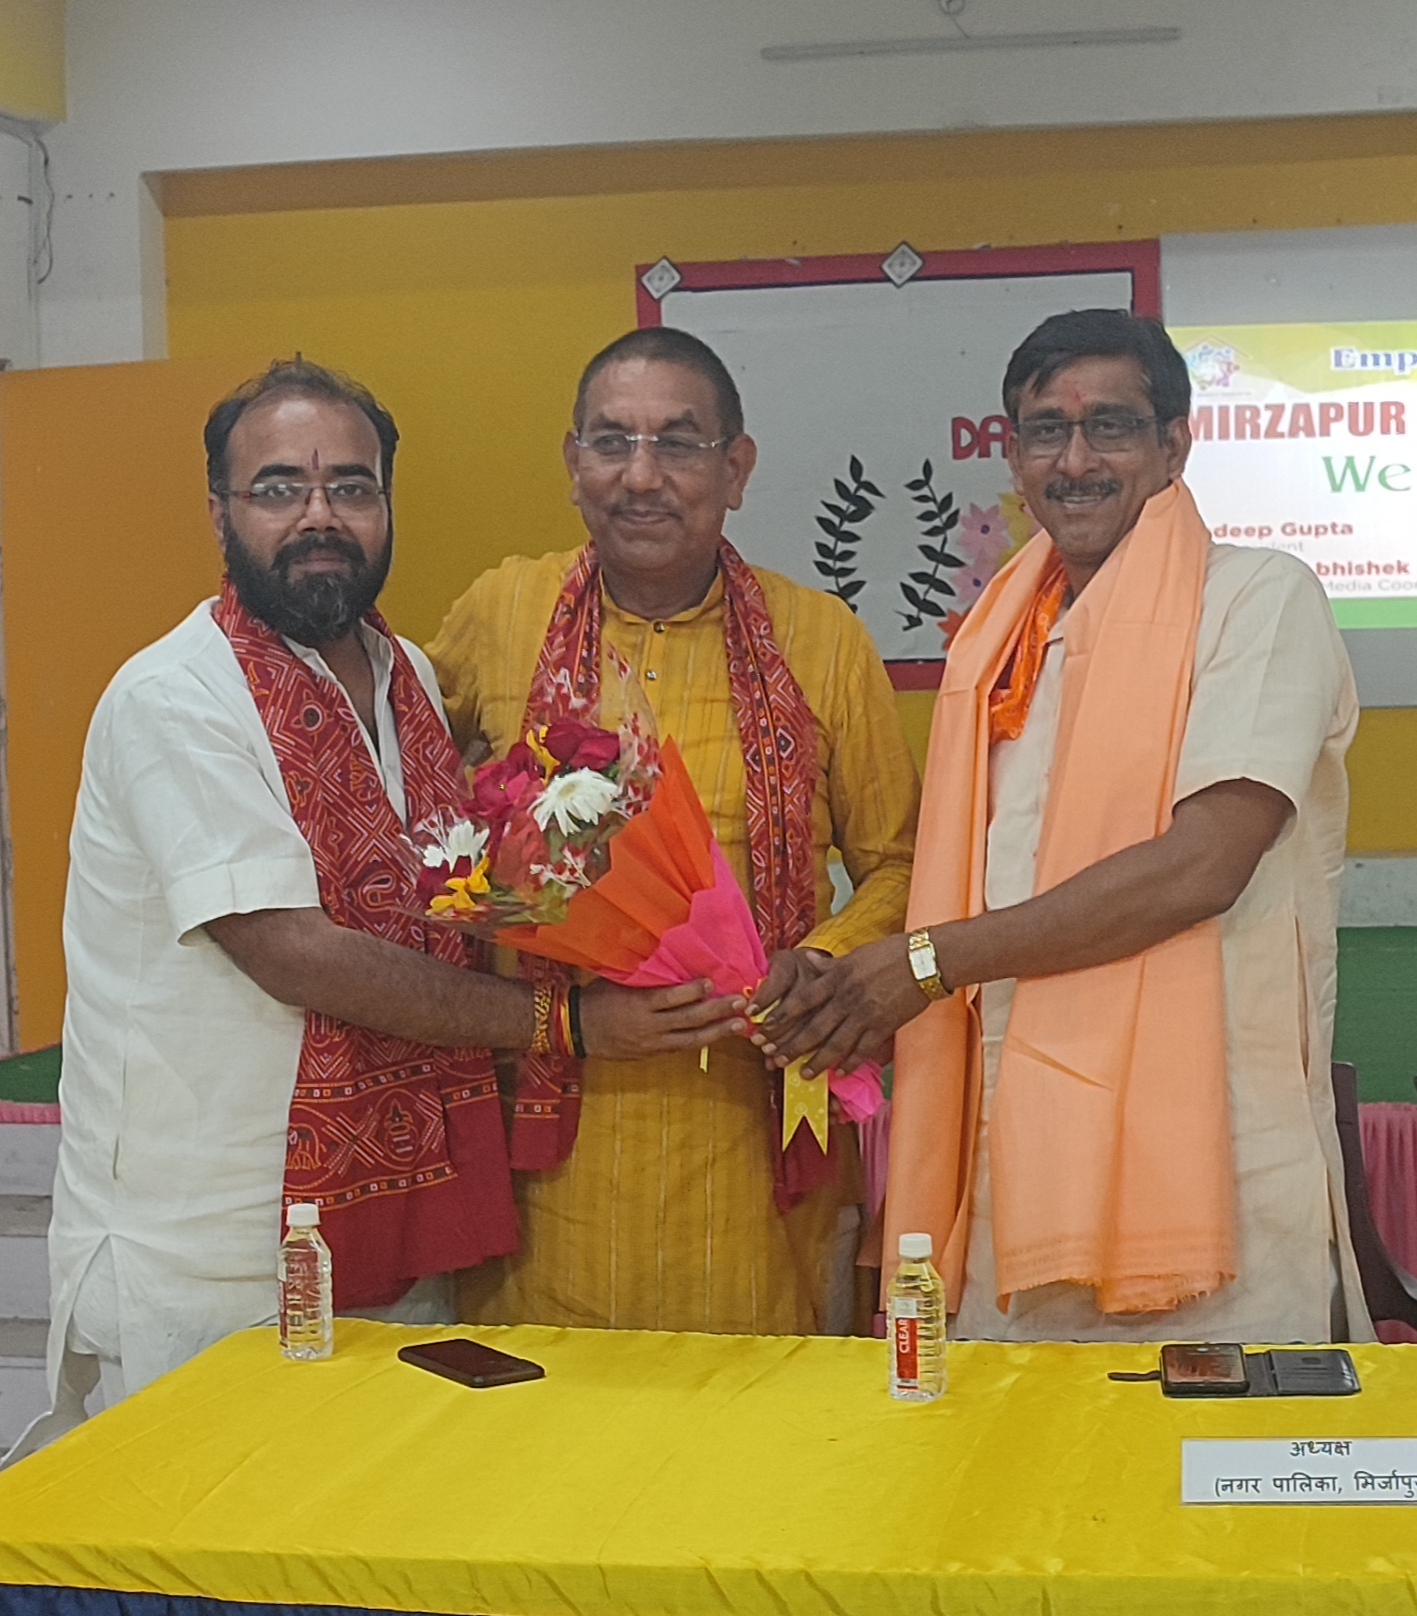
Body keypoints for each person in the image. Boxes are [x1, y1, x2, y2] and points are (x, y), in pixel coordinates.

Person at [14, 357, 742, 1457]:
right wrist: (568, 1024)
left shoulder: (407, 676)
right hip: (215, 1255)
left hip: (400, 1230)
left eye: (349, 486)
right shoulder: (175, 697)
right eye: (279, 488)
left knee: (379, 1537)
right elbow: (292, 950)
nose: (319, 516)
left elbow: (454, 894)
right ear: (219, 511)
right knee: (207, 1548)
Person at [756, 309, 1371, 1345]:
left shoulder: (1257, 600)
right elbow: (959, 881)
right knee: (1012, 1451)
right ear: (1013, 456)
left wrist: (925, 964)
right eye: (1046, 430)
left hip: (1208, 1183)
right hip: (1015, 1176)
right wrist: (836, 973)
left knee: (1205, 1457)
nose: (1074, 461)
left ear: (1174, 445)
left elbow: (1199, 867)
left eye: (1110, 427)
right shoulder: (999, 643)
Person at [427, 326, 919, 1334]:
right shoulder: (500, 612)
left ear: (736, 469)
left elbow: (899, 861)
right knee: (548, 1410)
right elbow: (418, 804)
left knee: (750, 1407)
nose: (641, 476)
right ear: (573, 464)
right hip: (549, 1148)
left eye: (678, 443)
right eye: (612, 442)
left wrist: (822, 964)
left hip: (750, 1137)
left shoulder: (821, 640)